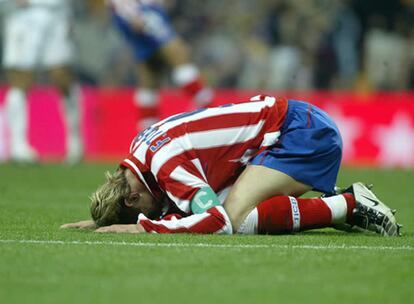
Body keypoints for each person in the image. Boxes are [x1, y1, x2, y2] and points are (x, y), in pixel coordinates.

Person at [62, 95, 402, 236]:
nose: (152, 214)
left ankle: (350, 204)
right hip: (286, 130)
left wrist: (144, 228)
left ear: (132, 199)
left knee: (236, 219)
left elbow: (217, 221)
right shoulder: (142, 150)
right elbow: (187, 204)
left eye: (143, 213)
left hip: (302, 132)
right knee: (228, 211)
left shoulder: (164, 165)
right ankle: (346, 208)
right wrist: (98, 221)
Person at [107, 0, 214, 130]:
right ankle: (207, 107)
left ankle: (147, 130)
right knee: (178, 53)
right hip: (140, 12)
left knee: (150, 69)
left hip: (133, 11)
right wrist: (131, 14)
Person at [2, 0, 82, 163]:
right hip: (25, 13)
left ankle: (75, 142)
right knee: (20, 77)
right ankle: (18, 146)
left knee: (62, 76)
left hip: (58, 12)